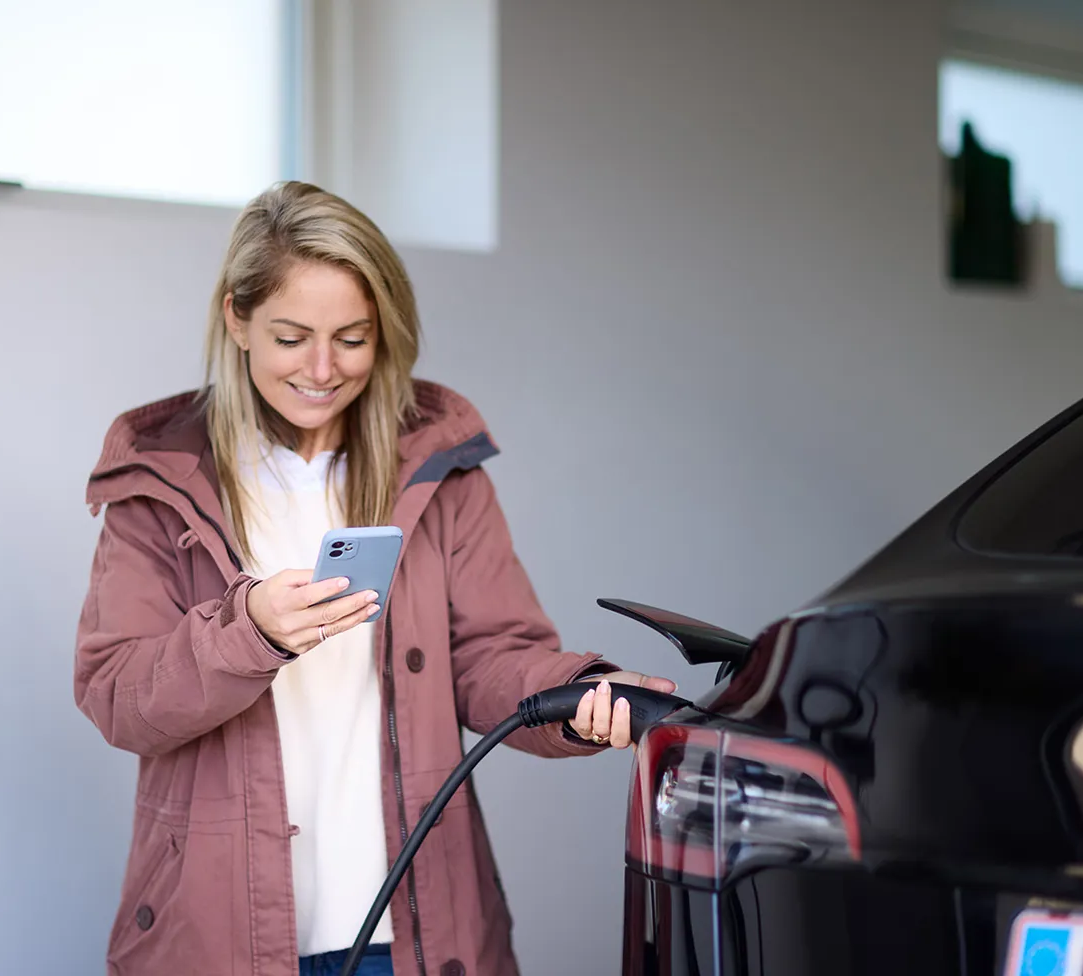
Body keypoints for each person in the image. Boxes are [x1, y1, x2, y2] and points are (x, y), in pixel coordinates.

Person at [73, 181, 676, 976]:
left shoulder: (439, 468)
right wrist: (248, 634)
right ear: (237, 319)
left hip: (414, 932)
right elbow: (118, 696)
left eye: (352, 338)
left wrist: (579, 693)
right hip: (216, 939)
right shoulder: (161, 478)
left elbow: (492, 657)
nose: (323, 369)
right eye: (292, 337)